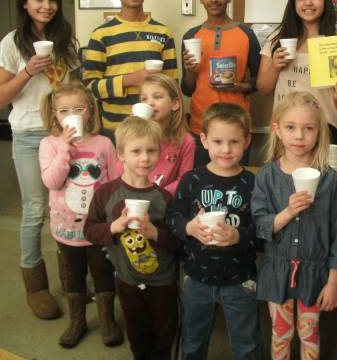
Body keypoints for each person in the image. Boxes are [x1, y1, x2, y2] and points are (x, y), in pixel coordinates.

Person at [0, 0, 79, 319]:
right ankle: (36, 286)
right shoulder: (12, 43)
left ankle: (72, 280)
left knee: (70, 207)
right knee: (35, 210)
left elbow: (75, 87)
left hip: (64, 132)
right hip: (30, 134)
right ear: (24, 3)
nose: (46, 6)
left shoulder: (66, 41)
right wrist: (28, 71)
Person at [252, 91, 337, 360]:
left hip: (315, 273)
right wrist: (287, 211)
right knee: (281, 333)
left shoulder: (329, 180)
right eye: (290, 127)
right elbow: (260, 224)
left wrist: (334, 281)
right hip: (278, 269)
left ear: (319, 132)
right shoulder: (266, 177)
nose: (299, 136)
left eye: (308, 128)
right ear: (277, 130)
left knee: (310, 333)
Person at [167, 102, 262, 359]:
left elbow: (263, 230)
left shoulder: (253, 183)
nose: (226, 149)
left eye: (234, 142)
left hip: (240, 278)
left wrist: (238, 235)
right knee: (192, 342)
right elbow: (173, 217)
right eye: (218, 141)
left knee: (247, 344)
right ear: (204, 140)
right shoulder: (192, 180)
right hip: (197, 276)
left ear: (247, 140)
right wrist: (189, 227)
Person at [84, 117, 179, 359]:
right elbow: (90, 231)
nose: (145, 158)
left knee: (164, 334)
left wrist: (154, 232)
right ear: (121, 154)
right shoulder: (106, 193)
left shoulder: (164, 198)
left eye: (151, 150)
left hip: (163, 281)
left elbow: (179, 242)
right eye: (136, 151)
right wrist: (114, 227)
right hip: (127, 280)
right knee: (137, 335)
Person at [38, 82, 122, 348]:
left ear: (89, 111)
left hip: (98, 227)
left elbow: (116, 180)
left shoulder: (103, 143)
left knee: (103, 272)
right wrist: (65, 148)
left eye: (78, 108)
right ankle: (78, 321)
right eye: (64, 111)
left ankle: (107, 320)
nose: (70, 115)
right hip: (66, 229)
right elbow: (51, 181)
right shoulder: (49, 144)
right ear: (55, 115)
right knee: (72, 274)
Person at [257, 0, 337, 165]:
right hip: (287, 130)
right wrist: (275, 67)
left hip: (326, 130)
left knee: (324, 191)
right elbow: (262, 88)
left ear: (325, 1)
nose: (308, 3)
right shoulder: (277, 39)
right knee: (285, 191)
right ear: (293, 3)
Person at [83, 0, 178, 139]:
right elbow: (89, 88)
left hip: (156, 129)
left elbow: (173, 85)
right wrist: (129, 80)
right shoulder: (101, 35)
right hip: (116, 130)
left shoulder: (163, 33)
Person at [181, 0, 260, 167]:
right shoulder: (191, 37)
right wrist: (190, 72)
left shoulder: (246, 35)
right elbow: (187, 89)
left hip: (237, 129)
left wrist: (239, 87)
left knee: (234, 190)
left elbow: (259, 81)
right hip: (201, 129)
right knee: (201, 189)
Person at [138, 74, 195, 195]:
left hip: (166, 201)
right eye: (144, 99)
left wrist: (157, 194)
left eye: (157, 97)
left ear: (174, 104)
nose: (150, 103)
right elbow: (120, 171)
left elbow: (184, 181)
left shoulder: (186, 141)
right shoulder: (134, 137)